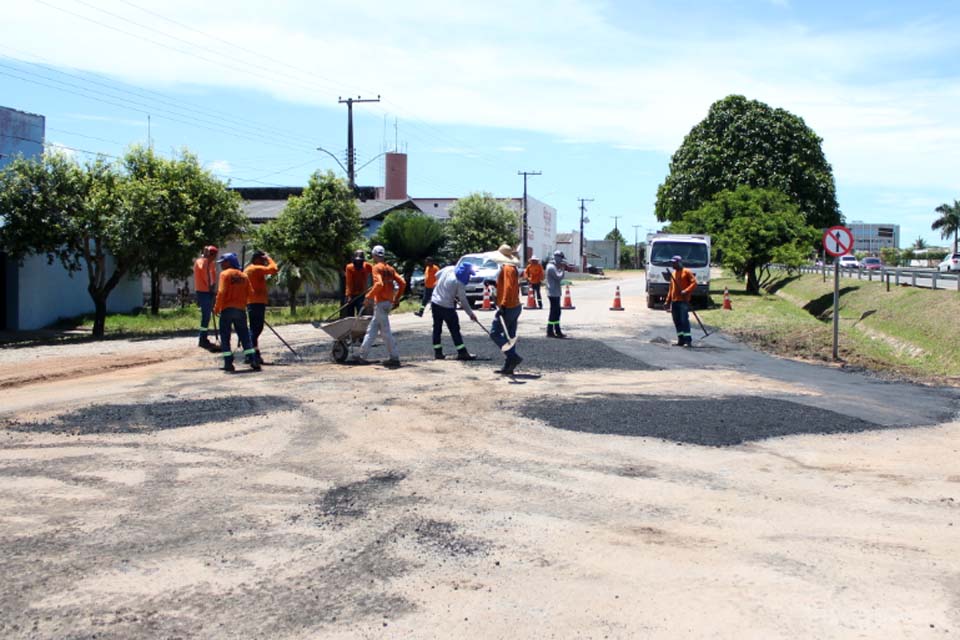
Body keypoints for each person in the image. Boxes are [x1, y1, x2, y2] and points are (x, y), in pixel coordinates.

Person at [355, 245, 406, 367]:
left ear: (374, 255)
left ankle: (394, 357)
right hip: (387, 303)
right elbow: (402, 283)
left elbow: (379, 284)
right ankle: (362, 355)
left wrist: (368, 297)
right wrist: (396, 299)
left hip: (381, 303)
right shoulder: (389, 269)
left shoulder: (376, 268)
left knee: (385, 332)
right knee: (371, 330)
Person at [214, 252, 260, 372]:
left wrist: (217, 308)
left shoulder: (225, 274)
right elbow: (251, 293)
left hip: (227, 310)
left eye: (223, 262)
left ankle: (228, 363)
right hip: (240, 310)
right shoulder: (244, 276)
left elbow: (221, 292)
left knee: (225, 336)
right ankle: (253, 359)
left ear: (229, 262)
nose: (221, 265)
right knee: (245, 336)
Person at [430, 262, 479, 360]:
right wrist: (471, 314)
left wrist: (443, 287)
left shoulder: (449, 269)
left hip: (435, 302)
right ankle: (462, 353)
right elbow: (463, 300)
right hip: (447, 306)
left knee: (437, 328)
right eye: (469, 274)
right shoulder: (459, 282)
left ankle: (438, 353)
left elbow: (436, 275)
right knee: (454, 329)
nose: (469, 276)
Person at [489, 244, 523, 375]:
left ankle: (512, 356)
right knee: (510, 336)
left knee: (495, 333)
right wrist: (494, 284)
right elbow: (510, 286)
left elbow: (508, 288)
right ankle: (509, 365)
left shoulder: (507, 268)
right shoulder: (511, 268)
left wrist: (502, 304)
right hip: (515, 305)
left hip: (508, 306)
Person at [244, 250, 278, 364]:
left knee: (255, 329)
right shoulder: (255, 268)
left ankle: (253, 354)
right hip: (256, 302)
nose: (264, 262)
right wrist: (269, 258)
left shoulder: (249, 269)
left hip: (253, 302)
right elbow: (274, 269)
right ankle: (251, 355)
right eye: (262, 260)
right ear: (257, 259)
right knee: (255, 329)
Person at [665, 255, 697, 347]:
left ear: (679, 262)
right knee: (677, 321)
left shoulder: (686, 272)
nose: (673, 264)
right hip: (674, 301)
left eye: (674, 263)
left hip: (683, 301)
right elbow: (671, 289)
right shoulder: (673, 274)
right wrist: (667, 301)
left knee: (684, 320)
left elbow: (694, 283)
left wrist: (686, 291)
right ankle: (681, 340)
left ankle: (688, 341)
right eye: (672, 263)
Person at [194, 245, 219, 351]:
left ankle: (203, 337)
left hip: (210, 291)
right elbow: (203, 271)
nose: (214, 258)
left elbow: (213, 275)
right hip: (203, 291)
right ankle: (202, 339)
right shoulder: (201, 261)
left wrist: (213, 287)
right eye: (213, 256)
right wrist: (205, 258)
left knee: (208, 315)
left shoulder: (212, 263)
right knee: (206, 315)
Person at [343, 249, 373, 319]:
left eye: (360, 261)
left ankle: (359, 328)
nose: (358, 262)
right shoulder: (349, 267)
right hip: (351, 294)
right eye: (357, 261)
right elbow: (349, 282)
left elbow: (375, 272)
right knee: (349, 315)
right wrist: (349, 295)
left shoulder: (367, 266)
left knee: (361, 314)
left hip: (362, 294)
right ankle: (350, 328)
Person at [545, 250, 567, 338]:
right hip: (553, 292)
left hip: (556, 292)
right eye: (561, 259)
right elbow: (558, 277)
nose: (562, 261)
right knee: (554, 312)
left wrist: (560, 268)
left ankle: (557, 330)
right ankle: (550, 330)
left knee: (557, 311)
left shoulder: (553, 267)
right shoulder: (551, 267)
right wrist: (562, 269)